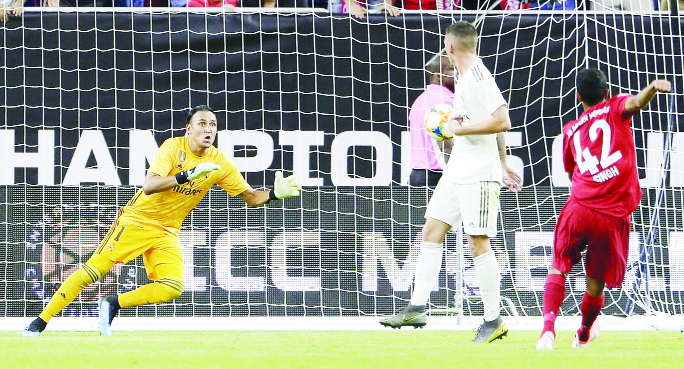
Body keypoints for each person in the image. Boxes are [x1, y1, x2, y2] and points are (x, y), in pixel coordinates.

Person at [22, 105, 302, 337]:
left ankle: (113, 303)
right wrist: (186, 175)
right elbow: (149, 186)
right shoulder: (173, 148)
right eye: (202, 123)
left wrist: (275, 194)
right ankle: (41, 321)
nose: (209, 129)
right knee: (91, 272)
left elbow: (251, 197)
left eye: (213, 125)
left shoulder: (219, 163)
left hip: (167, 231)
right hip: (136, 221)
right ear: (189, 129)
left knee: (172, 287)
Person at [379, 21, 522, 343]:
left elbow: (503, 120)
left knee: (477, 242)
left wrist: (463, 132)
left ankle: (493, 319)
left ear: (450, 46)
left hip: (478, 175)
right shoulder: (463, 79)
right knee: (431, 231)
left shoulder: (478, 77)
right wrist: (500, 158)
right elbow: (492, 125)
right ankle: (417, 307)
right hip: (458, 170)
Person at [534, 70, 671, 350]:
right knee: (594, 282)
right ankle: (583, 334)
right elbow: (635, 103)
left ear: (578, 96)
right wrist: (652, 88)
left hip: (579, 208)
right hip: (610, 215)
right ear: (607, 93)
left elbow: (572, 171)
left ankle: (547, 332)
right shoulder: (614, 107)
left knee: (559, 268)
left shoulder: (571, 129)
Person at [408, 56, 455, 187]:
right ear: (438, 76)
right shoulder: (443, 100)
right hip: (437, 176)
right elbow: (445, 144)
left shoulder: (420, 99)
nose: (458, 73)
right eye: (452, 69)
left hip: (417, 174)